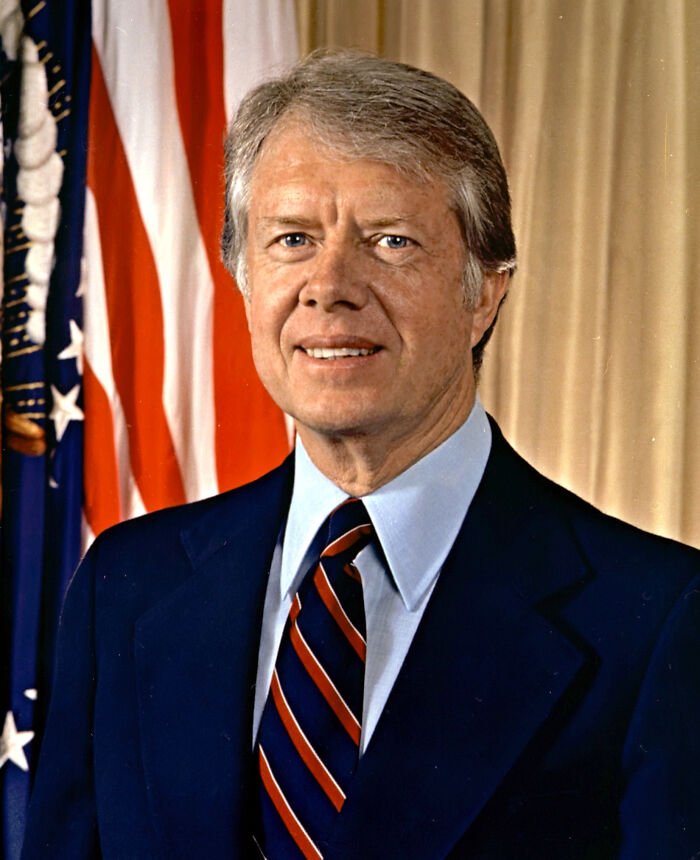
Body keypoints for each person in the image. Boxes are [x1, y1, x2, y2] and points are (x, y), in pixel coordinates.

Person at [22, 50, 700, 860]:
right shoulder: (128, 586)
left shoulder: (657, 619)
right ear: (244, 278)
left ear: (484, 292)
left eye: (390, 241)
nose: (329, 285)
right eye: (293, 239)